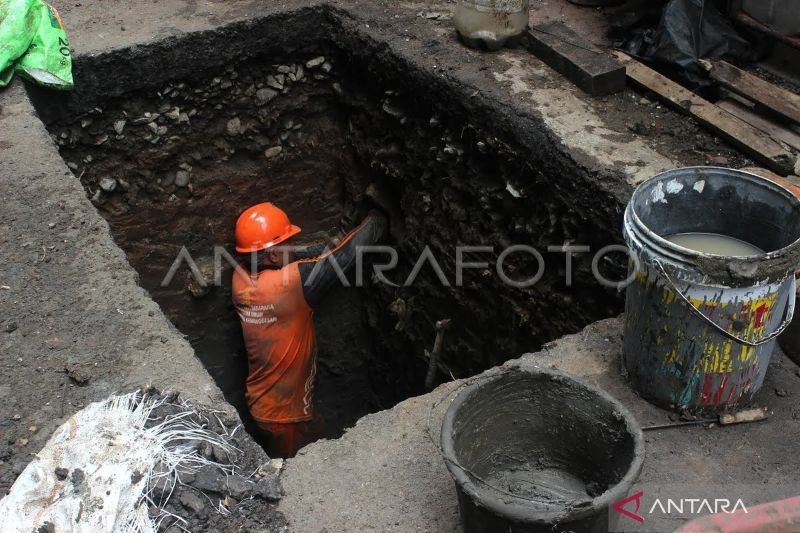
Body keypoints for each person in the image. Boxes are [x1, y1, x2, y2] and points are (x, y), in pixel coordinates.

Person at [232, 202, 387, 458]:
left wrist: (339, 234)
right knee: (295, 468)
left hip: (266, 401)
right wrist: (377, 220)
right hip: (284, 416)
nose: (292, 248)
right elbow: (342, 258)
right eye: (287, 244)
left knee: (320, 433)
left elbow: (307, 257)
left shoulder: (241, 275)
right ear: (271, 257)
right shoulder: (288, 285)